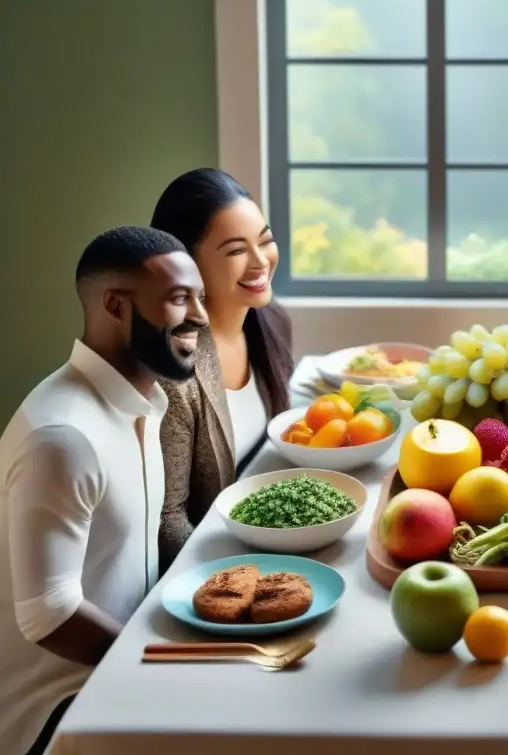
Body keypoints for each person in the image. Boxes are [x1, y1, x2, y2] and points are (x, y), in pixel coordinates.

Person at [0, 226, 208, 755]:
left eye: (199, 298)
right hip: (57, 712)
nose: (201, 318)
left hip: (118, 670)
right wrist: (158, 666)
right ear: (115, 305)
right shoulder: (64, 437)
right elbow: (49, 614)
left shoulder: (146, 404)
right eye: (179, 299)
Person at [150, 167, 294, 574]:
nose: (260, 261)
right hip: (220, 571)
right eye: (235, 251)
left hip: (276, 539)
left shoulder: (271, 321)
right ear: (186, 265)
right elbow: (168, 522)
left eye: (264, 241)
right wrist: (240, 582)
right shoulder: (174, 371)